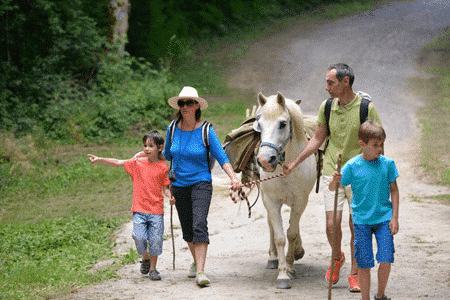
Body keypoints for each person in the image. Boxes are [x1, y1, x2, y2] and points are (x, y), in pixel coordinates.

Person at [283, 63, 383, 292]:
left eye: (331, 82)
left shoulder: (366, 108)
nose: (326, 87)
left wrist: (379, 175)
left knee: (356, 225)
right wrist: (295, 162)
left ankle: (355, 274)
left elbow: (378, 142)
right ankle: (337, 257)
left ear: (345, 82)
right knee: (332, 224)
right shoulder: (327, 107)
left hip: (361, 173)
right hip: (332, 170)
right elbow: (317, 139)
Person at [164, 86, 241, 287]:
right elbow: (166, 155)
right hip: (178, 185)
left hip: (201, 183)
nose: (185, 107)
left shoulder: (206, 130)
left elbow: (221, 156)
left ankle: (200, 271)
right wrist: (144, 158)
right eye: (182, 103)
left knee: (199, 224)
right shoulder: (172, 128)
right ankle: (196, 261)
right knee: (188, 230)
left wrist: (233, 177)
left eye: (189, 102)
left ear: (197, 105)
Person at [88, 130, 174, 281]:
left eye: (151, 146)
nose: (147, 149)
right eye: (145, 146)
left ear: (160, 147)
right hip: (139, 209)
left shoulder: (163, 168)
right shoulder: (137, 163)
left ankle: (153, 269)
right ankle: (145, 257)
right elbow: (119, 162)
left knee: (155, 240)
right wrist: (100, 159)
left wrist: (170, 197)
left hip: (156, 210)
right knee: (138, 237)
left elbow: (165, 187)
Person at [329, 120, 399, 300]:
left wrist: (395, 218)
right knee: (364, 262)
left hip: (384, 218)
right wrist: (334, 180)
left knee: (386, 257)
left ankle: (380, 294)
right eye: (375, 145)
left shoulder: (388, 164)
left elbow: (394, 189)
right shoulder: (352, 166)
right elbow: (334, 189)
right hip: (361, 221)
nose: (379, 149)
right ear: (362, 144)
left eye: (381, 144)